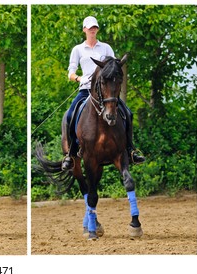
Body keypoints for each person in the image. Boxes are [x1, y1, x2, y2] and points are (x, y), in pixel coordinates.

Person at [62, 16, 145, 170]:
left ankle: (131, 150)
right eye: (89, 27)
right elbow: (70, 73)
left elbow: (114, 67)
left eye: (95, 27)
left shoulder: (106, 47)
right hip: (86, 91)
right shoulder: (78, 49)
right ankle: (71, 153)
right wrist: (79, 78)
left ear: (97, 29)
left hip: (106, 92)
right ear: (84, 30)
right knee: (69, 115)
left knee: (128, 112)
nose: (92, 29)